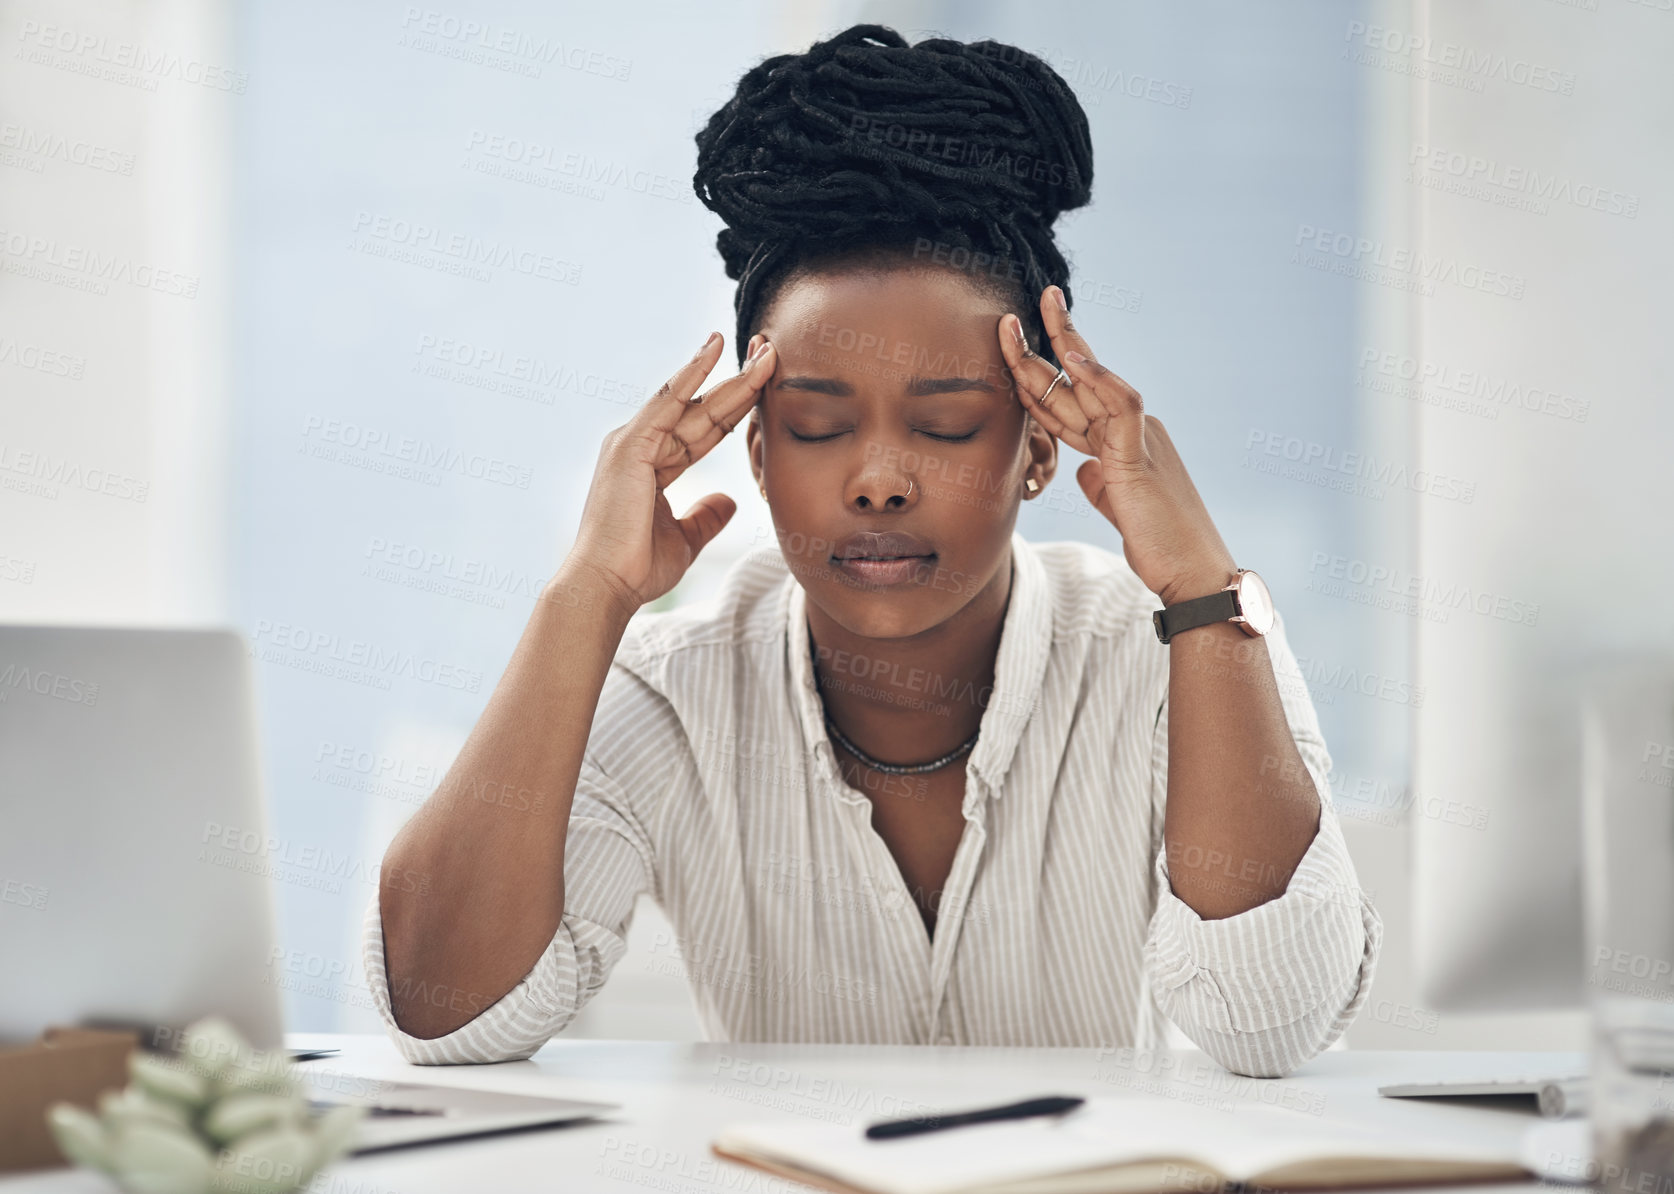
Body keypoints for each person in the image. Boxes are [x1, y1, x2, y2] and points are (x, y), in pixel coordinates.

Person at [364, 23, 1381, 1079]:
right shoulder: (673, 689)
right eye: (815, 426)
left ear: (1038, 450)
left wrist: (1204, 593)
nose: (880, 478)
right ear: (754, 454)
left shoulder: (1179, 650)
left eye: (943, 426)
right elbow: (446, 1011)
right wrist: (586, 595)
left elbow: (1272, 1023)